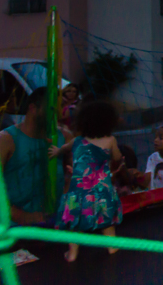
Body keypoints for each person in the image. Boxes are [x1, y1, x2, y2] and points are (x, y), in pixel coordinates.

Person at [0, 87, 73, 227]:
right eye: (52, 109)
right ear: (33, 108)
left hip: (54, 224)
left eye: (61, 108)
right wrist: (22, 216)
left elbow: (75, 172)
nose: (58, 114)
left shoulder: (65, 136)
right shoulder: (2, 141)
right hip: (12, 229)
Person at [48, 100, 123, 262]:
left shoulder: (77, 141)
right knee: (107, 220)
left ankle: (73, 253)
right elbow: (116, 157)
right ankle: (112, 246)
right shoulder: (110, 140)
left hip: (79, 190)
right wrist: (116, 159)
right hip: (102, 189)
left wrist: (56, 151)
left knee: (75, 223)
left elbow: (64, 149)